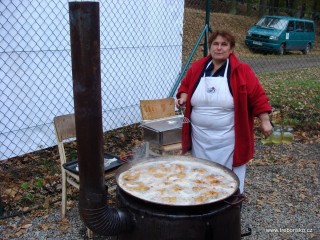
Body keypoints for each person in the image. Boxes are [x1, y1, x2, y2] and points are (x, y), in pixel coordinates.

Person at [176, 30, 273, 193]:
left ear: (231, 49)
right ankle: (203, 201)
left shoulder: (242, 70)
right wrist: (183, 97)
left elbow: (257, 96)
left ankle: (231, 205)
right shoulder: (197, 67)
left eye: (224, 44)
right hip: (200, 138)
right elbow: (185, 86)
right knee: (201, 174)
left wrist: (265, 120)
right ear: (210, 47)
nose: (219, 48)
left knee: (228, 179)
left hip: (228, 140)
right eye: (215, 44)